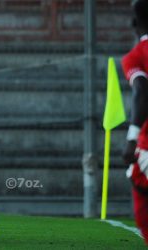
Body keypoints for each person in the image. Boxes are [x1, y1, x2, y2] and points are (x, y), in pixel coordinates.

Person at [121, 0, 148, 245]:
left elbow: (141, 89)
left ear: (134, 23)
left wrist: (132, 138)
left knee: (139, 184)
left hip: (147, 145)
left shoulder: (136, 56)